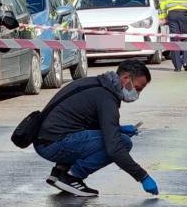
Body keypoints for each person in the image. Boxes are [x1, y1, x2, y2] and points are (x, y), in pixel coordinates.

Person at [34, 59, 159, 198]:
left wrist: (119, 128)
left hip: (45, 139)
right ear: (126, 79)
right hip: (54, 144)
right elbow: (114, 148)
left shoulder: (96, 84)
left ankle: (59, 172)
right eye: (138, 88)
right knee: (123, 142)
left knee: (108, 135)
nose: (137, 94)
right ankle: (72, 177)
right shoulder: (107, 99)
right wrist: (143, 176)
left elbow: (86, 120)